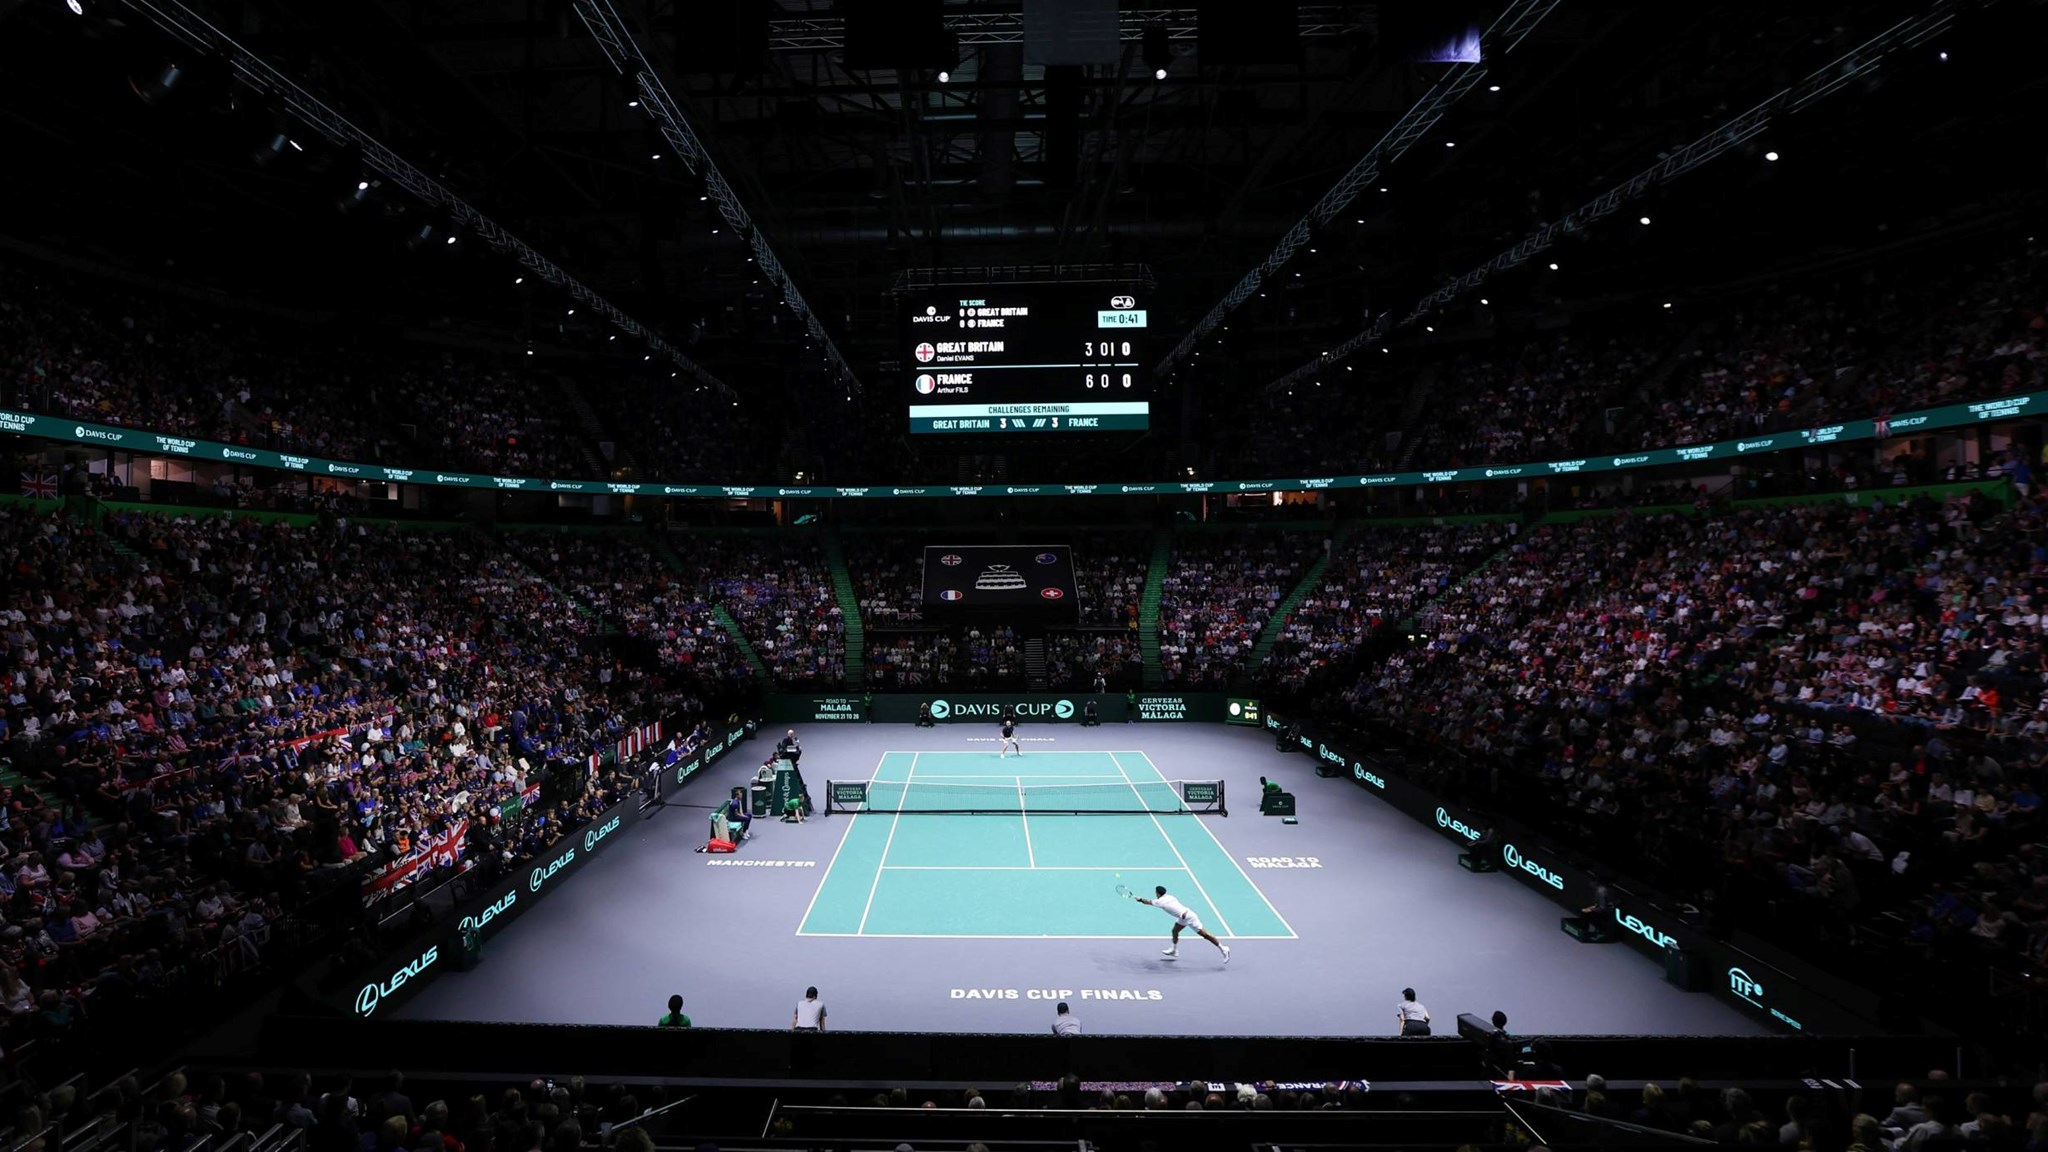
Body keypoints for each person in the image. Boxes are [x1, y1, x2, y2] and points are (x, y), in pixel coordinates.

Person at [1137, 885, 1229, 963]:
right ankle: (1174, 950)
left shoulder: (1159, 902)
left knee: (1205, 935)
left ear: (1158, 893)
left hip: (1189, 917)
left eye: (1155, 892)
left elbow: (1147, 902)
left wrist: (1140, 899)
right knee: (1175, 931)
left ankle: (1223, 948)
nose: (1155, 894)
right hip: (1184, 916)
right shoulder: (1170, 897)